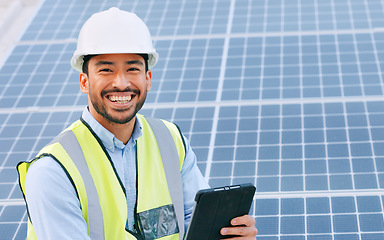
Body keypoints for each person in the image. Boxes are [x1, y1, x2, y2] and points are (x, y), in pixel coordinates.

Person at [17, 7, 257, 240]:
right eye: (106, 70)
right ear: (84, 82)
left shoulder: (171, 140)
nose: (121, 83)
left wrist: (227, 234)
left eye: (132, 68)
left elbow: (193, 223)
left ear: (147, 79)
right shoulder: (53, 171)